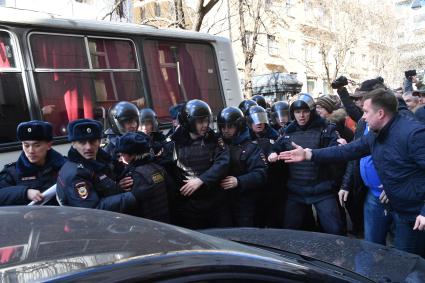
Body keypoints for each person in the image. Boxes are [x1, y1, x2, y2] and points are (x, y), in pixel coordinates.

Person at [280, 88, 425, 257]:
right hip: (395, 204)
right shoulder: (375, 134)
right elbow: (348, 150)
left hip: (414, 214)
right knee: (388, 254)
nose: (362, 117)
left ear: (380, 113)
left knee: (409, 262)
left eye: (365, 112)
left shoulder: (413, 134)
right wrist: (309, 154)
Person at [268, 93, 345, 235]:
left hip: (322, 189)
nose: (301, 116)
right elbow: (276, 147)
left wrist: (339, 145)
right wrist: (272, 153)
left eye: (305, 111)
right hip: (296, 190)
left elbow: (336, 152)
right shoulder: (287, 132)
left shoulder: (325, 129)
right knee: (290, 231)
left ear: (312, 111)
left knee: (335, 230)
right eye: (297, 112)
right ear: (293, 113)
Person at [166, 99, 230, 229]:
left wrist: (201, 180)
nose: (205, 125)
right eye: (201, 121)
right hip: (189, 206)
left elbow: (223, 163)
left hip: (215, 202)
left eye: (207, 120)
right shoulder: (174, 143)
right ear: (189, 122)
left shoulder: (214, 139)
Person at [56, 119, 144, 214]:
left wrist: (118, 186)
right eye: (82, 142)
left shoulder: (101, 159)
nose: (88, 147)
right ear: (73, 144)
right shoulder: (76, 175)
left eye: (93, 141)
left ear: (99, 141)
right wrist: (132, 196)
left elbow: (106, 182)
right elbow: (93, 210)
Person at [217, 107, 267, 227]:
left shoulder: (251, 147)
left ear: (239, 126)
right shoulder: (218, 144)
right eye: (223, 127)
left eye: (230, 126)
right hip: (223, 202)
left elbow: (261, 174)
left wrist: (239, 181)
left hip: (245, 203)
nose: (225, 130)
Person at [0, 121, 66, 205]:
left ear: (49, 145)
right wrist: (25, 192)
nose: (31, 151)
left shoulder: (64, 166)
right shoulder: (13, 172)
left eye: (37, 145)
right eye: (26, 145)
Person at [115, 132, 170, 223]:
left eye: (122, 155)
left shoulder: (133, 176)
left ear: (132, 155)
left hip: (147, 227)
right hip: (165, 223)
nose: (120, 159)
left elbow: (130, 207)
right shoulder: (158, 168)